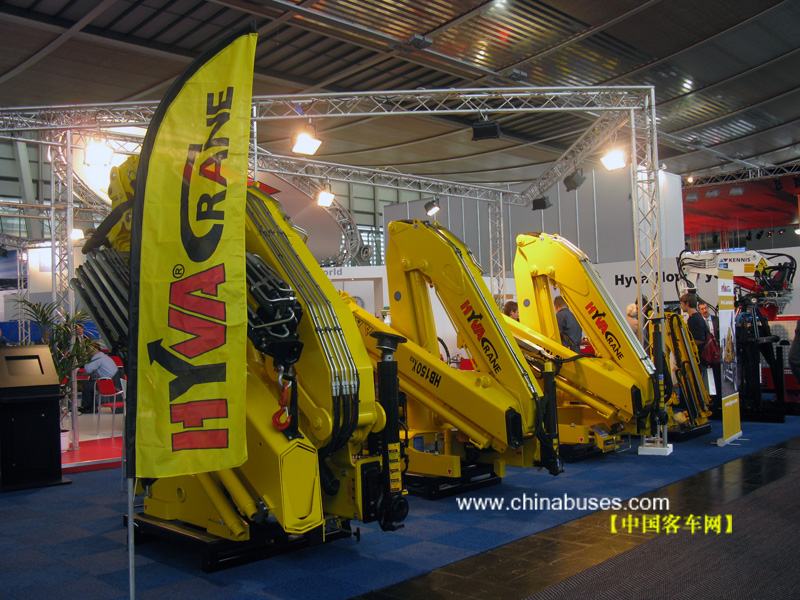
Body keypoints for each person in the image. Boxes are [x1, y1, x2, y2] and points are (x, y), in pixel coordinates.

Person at [79, 343, 121, 414]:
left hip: (107, 383)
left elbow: (88, 370)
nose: (88, 352)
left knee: (86, 386)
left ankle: (89, 408)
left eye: (89, 350)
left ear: (94, 350)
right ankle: (92, 407)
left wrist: (85, 361)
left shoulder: (97, 357)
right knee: (90, 384)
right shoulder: (103, 356)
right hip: (113, 380)